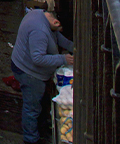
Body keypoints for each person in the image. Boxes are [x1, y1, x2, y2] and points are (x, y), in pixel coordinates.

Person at [11, 10, 74, 144]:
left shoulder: (39, 14)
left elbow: (57, 36)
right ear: (56, 22)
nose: (58, 31)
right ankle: (31, 139)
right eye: (59, 28)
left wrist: (72, 47)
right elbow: (38, 59)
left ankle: (39, 126)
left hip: (20, 63)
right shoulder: (40, 31)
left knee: (36, 104)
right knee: (32, 108)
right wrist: (63, 59)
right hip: (29, 73)